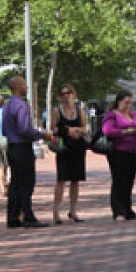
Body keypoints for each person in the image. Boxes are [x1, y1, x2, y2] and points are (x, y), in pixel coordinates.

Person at [1, 75, 51, 228]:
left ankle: (13, 217)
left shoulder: (7, 106)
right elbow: (24, 129)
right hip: (22, 147)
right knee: (26, 183)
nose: (27, 87)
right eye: (24, 85)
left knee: (15, 183)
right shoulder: (21, 106)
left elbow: (4, 129)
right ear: (18, 87)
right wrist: (42, 134)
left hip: (12, 147)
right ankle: (28, 216)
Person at [102, 90, 136, 220]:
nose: (128, 106)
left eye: (130, 103)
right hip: (118, 151)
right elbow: (108, 131)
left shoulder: (132, 114)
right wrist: (126, 131)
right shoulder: (112, 115)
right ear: (119, 101)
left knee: (129, 180)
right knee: (119, 180)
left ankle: (127, 208)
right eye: (126, 103)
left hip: (132, 151)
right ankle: (118, 210)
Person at [50, 83, 88, 224]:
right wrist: (67, 131)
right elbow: (53, 129)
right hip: (64, 148)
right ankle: (56, 211)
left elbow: (85, 128)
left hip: (78, 148)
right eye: (63, 93)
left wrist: (77, 130)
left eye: (69, 92)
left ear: (74, 94)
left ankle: (73, 210)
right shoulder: (57, 111)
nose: (66, 95)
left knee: (75, 180)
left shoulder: (80, 110)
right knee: (61, 180)